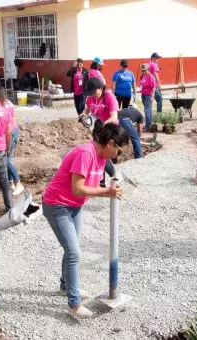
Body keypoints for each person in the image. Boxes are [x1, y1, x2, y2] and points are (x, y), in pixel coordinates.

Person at [42, 120, 129, 319]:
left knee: (71, 247)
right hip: (57, 205)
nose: (118, 156)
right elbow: (77, 188)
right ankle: (73, 304)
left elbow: (109, 174)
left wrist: (116, 181)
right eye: (119, 151)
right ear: (110, 144)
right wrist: (107, 192)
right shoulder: (85, 153)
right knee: (74, 252)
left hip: (74, 206)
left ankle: (65, 285)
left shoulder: (101, 157)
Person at [80, 78, 120, 186]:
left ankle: (113, 174)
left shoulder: (109, 97)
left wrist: (103, 125)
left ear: (100, 88)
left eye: (94, 92)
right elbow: (87, 110)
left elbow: (114, 117)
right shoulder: (91, 98)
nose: (93, 95)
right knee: (98, 155)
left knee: (102, 154)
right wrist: (83, 116)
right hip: (97, 129)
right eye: (91, 93)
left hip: (109, 129)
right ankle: (100, 181)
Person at [0, 82, 24, 196]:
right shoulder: (8, 102)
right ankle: (11, 182)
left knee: (6, 160)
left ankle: (18, 183)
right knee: (8, 158)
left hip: (8, 133)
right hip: (14, 131)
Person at [140, 63, 156, 132]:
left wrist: (152, 96)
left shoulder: (151, 76)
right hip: (143, 94)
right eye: (142, 70)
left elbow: (153, 87)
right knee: (146, 110)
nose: (143, 72)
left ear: (148, 69)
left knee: (147, 110)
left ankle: (148, 126)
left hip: (148, 95)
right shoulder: (143, 76)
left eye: (145, 70)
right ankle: (148, 124)